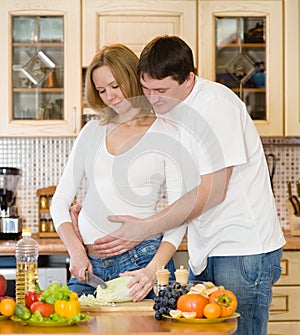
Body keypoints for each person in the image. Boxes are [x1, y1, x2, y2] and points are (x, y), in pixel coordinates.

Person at [71, 36, 285, 335]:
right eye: (146, 89)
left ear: (189, 79)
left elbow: (213, 191)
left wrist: (146, 228)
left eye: (161, 90)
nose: (152, 98)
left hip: (241, 250)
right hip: (207, 249)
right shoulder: (172, 111)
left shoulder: (216, 106)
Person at [50, 43, 189, 301]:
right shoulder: (91, 132)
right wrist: (76, 251)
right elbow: (59, 202)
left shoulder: (167, 133)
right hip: (89, 267)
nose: (110, 96)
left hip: (142, 262)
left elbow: (180, 214)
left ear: (133, 78)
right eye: (101, 90)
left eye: (115, 86)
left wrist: (151, 271)